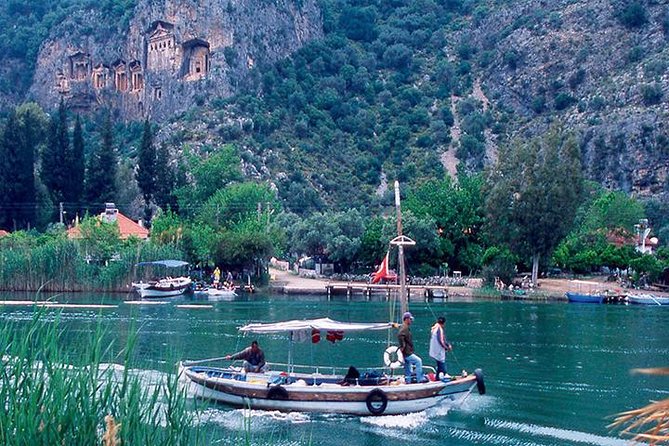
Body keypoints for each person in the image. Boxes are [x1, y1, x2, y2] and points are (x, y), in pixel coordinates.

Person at [398, 311, 425, 383]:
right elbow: (401, 336)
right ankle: (420, 379)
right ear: (406, 319)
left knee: (408, 368)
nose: (411, 321)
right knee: (418, 361)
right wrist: (402, 348)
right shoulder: (404, 329)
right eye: (410, 319)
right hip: (407, 353)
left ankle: (408, 381)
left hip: (406, 352)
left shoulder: (404, 328)